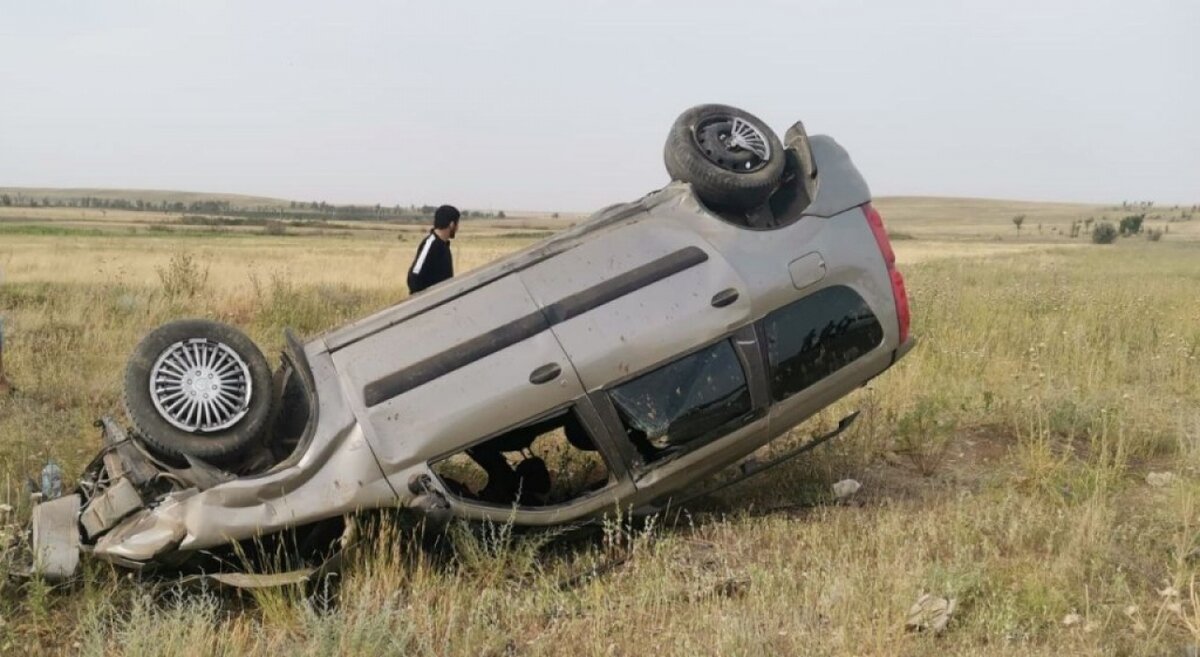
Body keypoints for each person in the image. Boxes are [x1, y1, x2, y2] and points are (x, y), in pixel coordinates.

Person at [406, 205, 459, 294]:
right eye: (457, 224)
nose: (458, 228)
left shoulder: (444, 246)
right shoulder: (430, 243)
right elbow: (414, 277)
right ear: (452, 224)